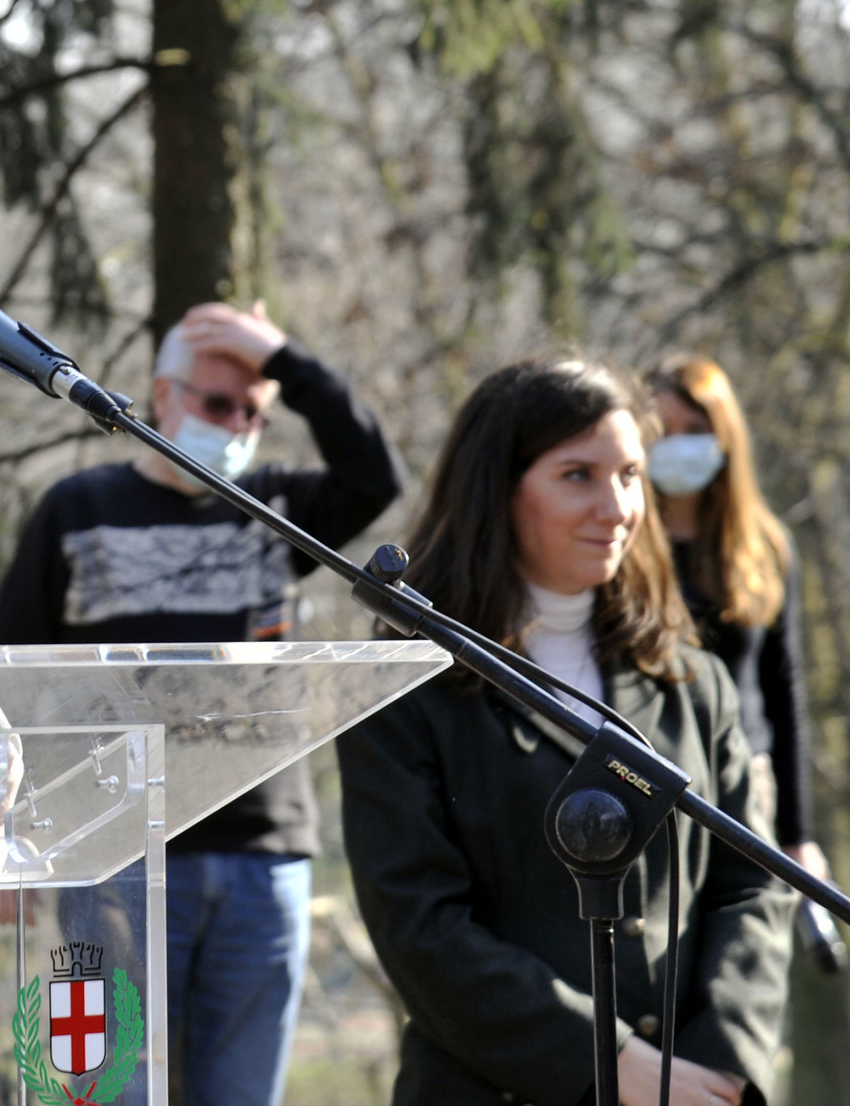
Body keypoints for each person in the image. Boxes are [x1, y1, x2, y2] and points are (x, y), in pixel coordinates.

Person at [338, 359, 794, 1106]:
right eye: (578, 475)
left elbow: (752, 886)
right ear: (498, 489)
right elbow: (419, 925)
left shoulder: (690, 678)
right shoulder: (404, 682)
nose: (616, 507)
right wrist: (610, 1062)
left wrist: (716, 1069)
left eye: (631, 474)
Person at [0, 301, 402, 1106]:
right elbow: (8, 680)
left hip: (262, 860)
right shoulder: (75, 510)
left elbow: (374, 473)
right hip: (110, 863)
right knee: (104, 1092)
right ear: (163, 395)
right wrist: (13, 841)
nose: (237, 425)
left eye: (254, 410)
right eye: (218, 403)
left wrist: (284, 356)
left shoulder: (277, 506)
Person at [645, 356, 827, 884]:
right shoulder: (618, 546)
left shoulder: (764, 547)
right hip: (649, 780)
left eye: (694, 431)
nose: (676, 445)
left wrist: (798, 835)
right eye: (661, 431)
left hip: (747, 782)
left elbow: (783, 687)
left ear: (724, 437)